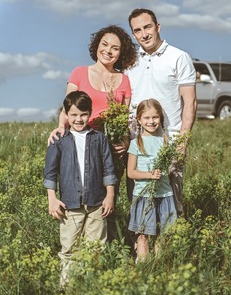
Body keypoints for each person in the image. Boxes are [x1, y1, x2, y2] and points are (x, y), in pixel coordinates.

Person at [48, 25, 138, 240]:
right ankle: (74, 247)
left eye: (115, 48)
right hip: (79, 143)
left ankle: (105, 251)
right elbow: (67, 108)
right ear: (97, 45)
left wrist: (124, 140)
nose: (108, 50)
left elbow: (124, 116)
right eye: (104, 44)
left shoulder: (123, 80)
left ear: (121, 53)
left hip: (110, 149)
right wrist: (61, 127)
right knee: (79, 197)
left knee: (107, 202)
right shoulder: (79, 73)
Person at [126, 8, 197, 216]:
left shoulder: (179, 57)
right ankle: (142, 247)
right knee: (139, 204)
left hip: (169, 142)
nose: (144, 34)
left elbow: (190, 103)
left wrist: (182, 141)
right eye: (137, 30)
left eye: (147, 27)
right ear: (133, 34)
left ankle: (169, 248)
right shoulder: (129, 62)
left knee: (171, 205)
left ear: (158, 27)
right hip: (137, 143)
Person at [43, 91, 117, 285]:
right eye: (73, 115)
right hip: (70, 205)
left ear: (90, 113)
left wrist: (110, 195)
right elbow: (50, 173)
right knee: (69, 248)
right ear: (66, 115)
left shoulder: (99, 138)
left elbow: (109, 169)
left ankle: (91, 284)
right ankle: (67, 285)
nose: (78, 119)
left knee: (96, 248)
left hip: (96, 203)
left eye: (83, 114)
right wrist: (52, 199)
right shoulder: (59, 140)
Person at [127, 99, 177, 261]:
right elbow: (131, 173)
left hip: (164, 194)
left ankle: (159, 266)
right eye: (146, 118)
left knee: (163, 235)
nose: (151, 121)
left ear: (160, 118)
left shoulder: (165, 141)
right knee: (143, 235)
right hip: (144, 196)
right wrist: (149, 175)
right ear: (139, 120)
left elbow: (169, 166)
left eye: (155, 117)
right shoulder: (136, 143)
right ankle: (143, 267)